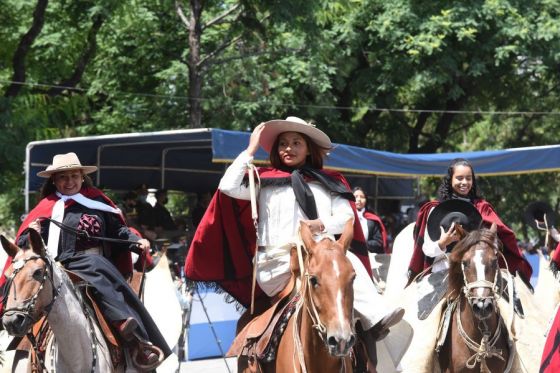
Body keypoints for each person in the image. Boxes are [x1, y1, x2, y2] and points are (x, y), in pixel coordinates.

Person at [185, 116, 405, 369]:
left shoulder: (331, 181)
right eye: (283, 144)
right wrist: (249, 150)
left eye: (296, 142)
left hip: (320, 258)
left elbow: (346, 219)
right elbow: (227, 186)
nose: (288, 148)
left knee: (343, 266)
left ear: (309, 148)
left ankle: (373, 327)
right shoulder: (262, 180)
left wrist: (319, 226)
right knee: (324, 279)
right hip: (276, 266)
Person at [4, 152, 170, 370]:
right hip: (56, 266)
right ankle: (24, 344)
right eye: (63, 177)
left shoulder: (98, 202)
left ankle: (133, 338)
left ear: (83, 177)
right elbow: (26, 243)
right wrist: (32, 232)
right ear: (54, 180)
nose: (70, 181)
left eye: (74, 176)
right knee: (30, 288)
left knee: (97, 269)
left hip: (93, 263)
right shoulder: (45, 208)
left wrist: (136, 240)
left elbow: (119, 231)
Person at [408, 158, 532, 286]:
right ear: (450, 180)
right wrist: (442, 243)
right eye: (459, 178)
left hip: (479, 275)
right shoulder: (435, 210)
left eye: (468, 178)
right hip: (443, 274)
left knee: (511, 299)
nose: (464, 182)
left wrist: (487, 243)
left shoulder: (482, 208)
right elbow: (427, 250)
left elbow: (495, 243)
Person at [353, 186, 388, 254]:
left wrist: (361, 245)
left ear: (366, 200)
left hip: (368, 255)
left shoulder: (372, 220)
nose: (359, 199)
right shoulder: (345, 217)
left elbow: (378, 241)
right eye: (356, 196)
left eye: (362, 197)